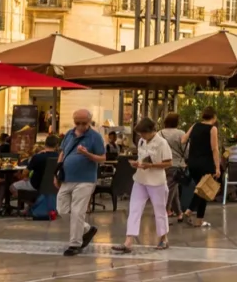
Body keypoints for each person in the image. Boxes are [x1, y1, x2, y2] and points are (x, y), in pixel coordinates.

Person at [111, 118, 173, 253]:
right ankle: (128, 240)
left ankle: (163, 238)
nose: (142, 136)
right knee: (134, 208)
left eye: (143, 133)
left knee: (159, 210)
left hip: (156, 181)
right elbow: (142, 158)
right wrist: (137, 164)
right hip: (140, 179)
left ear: (152, 131)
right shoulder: (141, 141)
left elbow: (168, 163)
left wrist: (151, 165)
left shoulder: (162, 143)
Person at [57, 110, 106, 256]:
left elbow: (102, 158)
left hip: (85, 179)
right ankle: (87, 229)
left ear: (90, 121)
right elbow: (62, 152)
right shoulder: (69, 134)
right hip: (67, 178)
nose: (80, 126)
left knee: (78, 211)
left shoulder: (95, 137)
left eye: (84, 123)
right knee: (62, 209)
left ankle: (75, 244)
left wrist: (87, 154)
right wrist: (57, 171)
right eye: (77, 123)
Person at [180, 107, 221, 228]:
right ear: (214, 117)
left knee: (202, 190)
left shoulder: (195, 125)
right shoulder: (212, 129)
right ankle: (189, 212)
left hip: (192, 163)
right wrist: (217, 167)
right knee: (203, 190)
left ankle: (199, 220)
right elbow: (215, 149)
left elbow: (183, 140)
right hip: (205, 164)